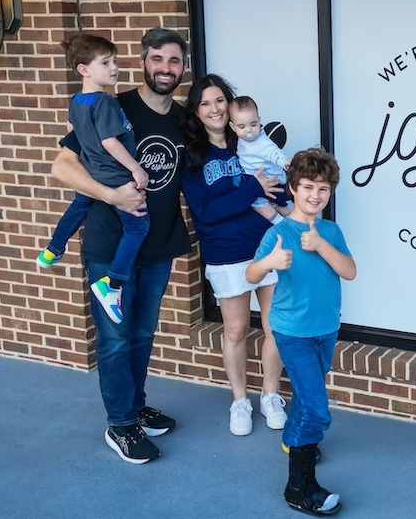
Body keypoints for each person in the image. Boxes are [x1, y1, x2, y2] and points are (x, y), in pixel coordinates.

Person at [50, 28, 271, 465]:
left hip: (158, 244)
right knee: (113, 339)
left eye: (174, 61)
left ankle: (134, 406)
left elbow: (227, 153)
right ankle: (121, 424)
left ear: (183, 68)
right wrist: (112, 195)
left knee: (141, 334)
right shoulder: (114, 107)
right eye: (157, 59)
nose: (165, 68)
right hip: (111, 246)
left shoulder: (184, 122)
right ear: (143, 62)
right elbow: (62, 165)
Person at [246, 147, 356, 516]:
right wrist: (270, 262)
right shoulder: (280, 234)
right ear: (292, 188)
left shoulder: (330, 231)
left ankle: (295, 440)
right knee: (316, 408)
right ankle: (299, 487)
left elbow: (350, 271)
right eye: (307, 186)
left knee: (308, 401)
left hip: (326, 329)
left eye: (322, 188)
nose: (315, 195)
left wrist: (321, 245)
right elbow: (251, 275)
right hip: (292, 332)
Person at [180, 74, 289, 437]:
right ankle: (240, 400)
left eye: (220, 101)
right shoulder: (193, 157)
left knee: (276, 326)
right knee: (237, 329)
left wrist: (279, 194)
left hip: (265, 245)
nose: (214, 109)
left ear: (231, 104)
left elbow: (275, 183)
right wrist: (252, 190)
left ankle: (270, 396)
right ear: (196, 112)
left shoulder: (250, 141)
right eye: (205, 103)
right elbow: (206, 212)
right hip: (226, 254)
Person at [37, 33, 150, 325]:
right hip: (114, 175)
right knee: (139, 227)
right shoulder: (105, 103)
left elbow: (73, 128)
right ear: (84, 70)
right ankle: (112, 284)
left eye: (114, 61)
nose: (114, 68)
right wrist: (136, 168)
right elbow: (111, 143)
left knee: (78, 208)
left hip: (91, 172)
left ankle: (52, 249)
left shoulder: (78, 100)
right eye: (106, 63)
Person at [230, 95, 292, 224]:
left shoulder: (261, 142)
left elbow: (273, 153)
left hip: (270, 179)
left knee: (257, 201)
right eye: (242, 127)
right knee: (277, 205)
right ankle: (295, 221)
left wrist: (285, 162)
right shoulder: (241, 139)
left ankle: (280, 223)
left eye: (253, 124)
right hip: (262, 177)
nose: (249, 131)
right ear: (232, 127)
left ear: (259, 120)